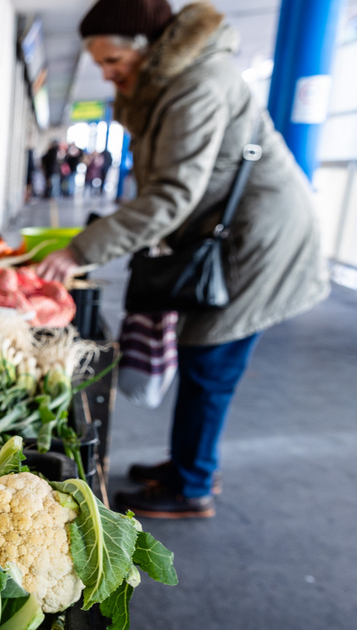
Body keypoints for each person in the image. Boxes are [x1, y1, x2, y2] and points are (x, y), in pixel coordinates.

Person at [38, 0, 330, 518]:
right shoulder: (166, 85)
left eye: (111, 62)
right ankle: (186, 465)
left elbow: (172, 194)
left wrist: (79, 251)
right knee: (203, 353)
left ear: (147, 49)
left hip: (257, 241)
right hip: (227, 232)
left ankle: (191, 486)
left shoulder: (197, 85)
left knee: (209, 358)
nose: (107, 75)